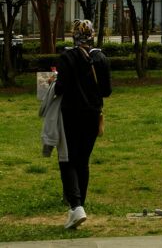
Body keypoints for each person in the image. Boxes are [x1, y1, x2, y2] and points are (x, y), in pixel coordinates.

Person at [53, 19, 111, 230]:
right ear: (92, 35)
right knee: (83, 161)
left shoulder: (67, 57)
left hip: (70, 116)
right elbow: (106, 91)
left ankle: (76, 206)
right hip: (93, 116)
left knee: (67, 160)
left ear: (73, 37)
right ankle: (80, 207)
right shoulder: (101, 58)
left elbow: (60, 88)